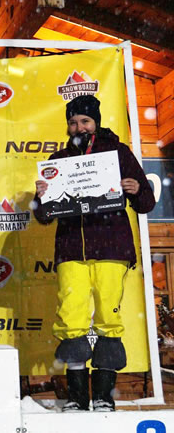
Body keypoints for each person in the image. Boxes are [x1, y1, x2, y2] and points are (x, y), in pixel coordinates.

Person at [33, 95, 155, 412]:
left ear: (96, 123)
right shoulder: (58, 160)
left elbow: (146, 203)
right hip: (71, 248)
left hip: (112, 247)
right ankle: (76, 397)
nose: (79, 127)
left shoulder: (119, 153)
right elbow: (43, 216)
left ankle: (103, 396)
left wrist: (136, 189)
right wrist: (42, 197)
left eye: (85, 121)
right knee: (71, 318)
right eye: (73, 122)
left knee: (107, 319)